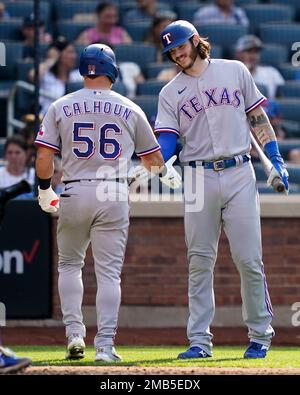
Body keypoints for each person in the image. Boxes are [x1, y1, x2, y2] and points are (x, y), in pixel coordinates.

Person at [35, 43, 181, 362]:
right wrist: (166, 173)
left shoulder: (61, 104)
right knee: (108, 275)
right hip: (113, 191)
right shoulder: (129, 107)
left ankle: (74, 335)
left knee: (70, 265)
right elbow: (154, 160)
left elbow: (44, 155)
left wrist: (44, 189)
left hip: (74, 189)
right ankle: (103, 346)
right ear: (111, 70)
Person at [156, 20, 289, 359]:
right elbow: (168, 140)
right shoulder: (170, 92)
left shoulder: (234, 70)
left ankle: (260, 334)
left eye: (181, 45)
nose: (177, 52)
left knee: (249, 259)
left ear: (196, 40)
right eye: (171, 50)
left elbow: (258, 118)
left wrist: (275, 158)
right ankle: (199, 340)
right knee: (199, 261)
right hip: (198, 176)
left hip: (239, 171)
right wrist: (158, 160)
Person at [28, 37, 82, 115]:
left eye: (74, 52)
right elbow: (33, 76)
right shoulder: (46, 76)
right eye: (70, 52)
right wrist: (51, 60)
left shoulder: (77, 76)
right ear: (58, 55)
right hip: (49, 119)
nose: (74, 56)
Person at [236, 35, 285, 99]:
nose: (253, 56)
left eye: (256, 52)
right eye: (249, 51)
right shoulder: (230, 74)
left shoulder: (272, 72)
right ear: (238, 53)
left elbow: (281, 99)